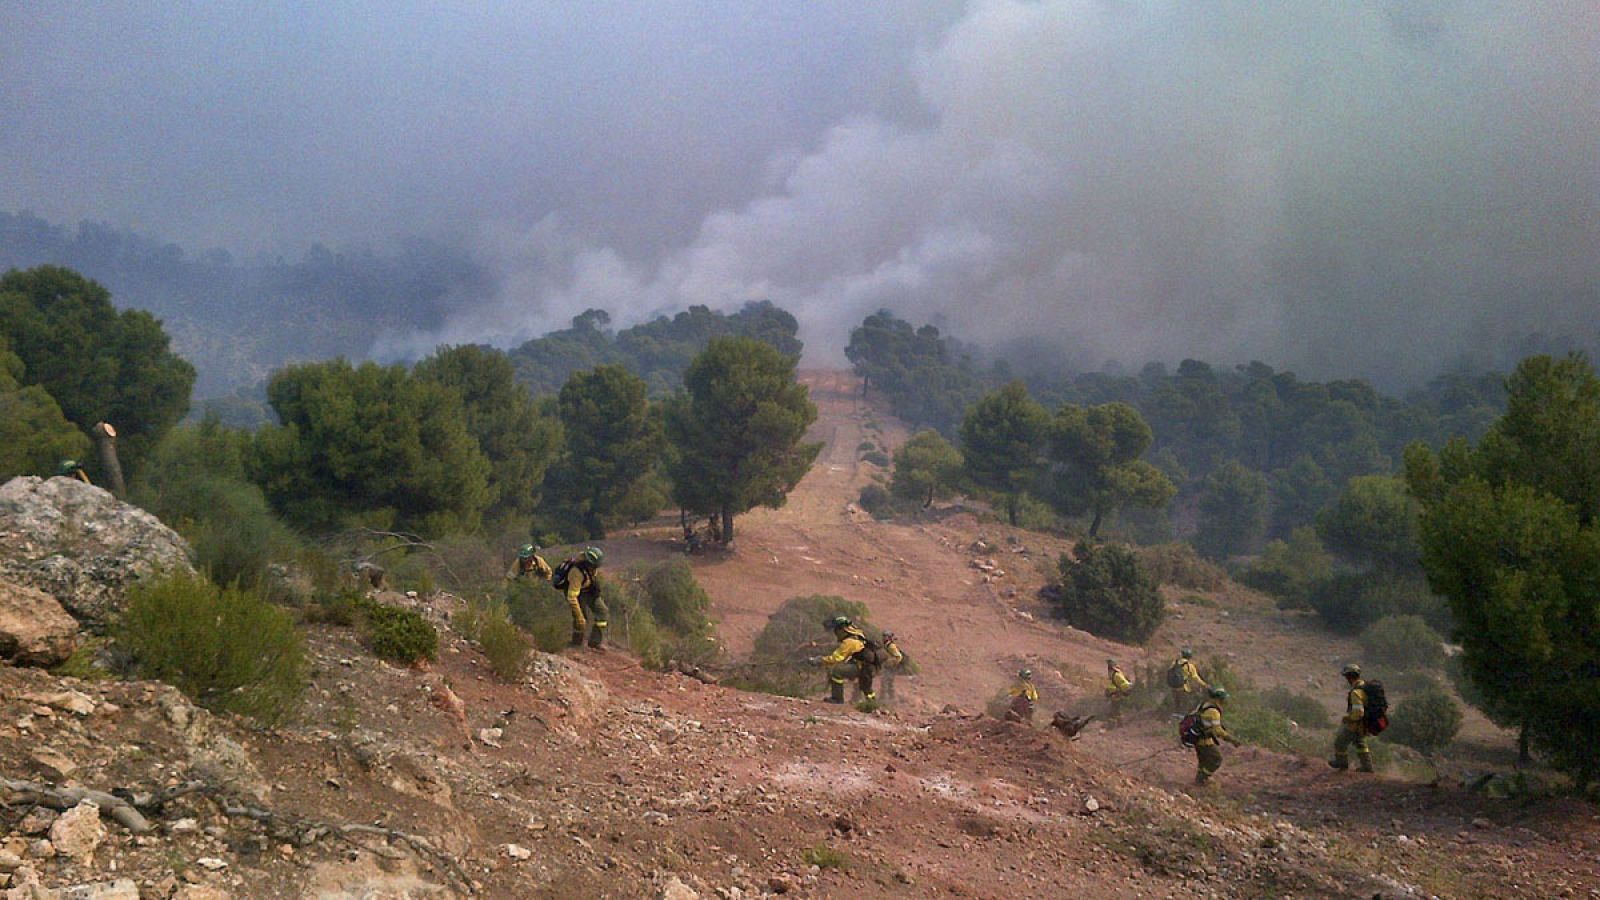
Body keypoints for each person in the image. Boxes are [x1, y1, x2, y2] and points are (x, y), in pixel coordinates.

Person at [813, 616, 881, 704]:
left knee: (836, 671)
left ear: (842, 630)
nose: (835, 633)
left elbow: (836, 658)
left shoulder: (849, 642)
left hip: (862, 667)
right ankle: (873, 705)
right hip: (867, 666)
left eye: (836, 630)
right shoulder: (858, 634)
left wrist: (820, 660)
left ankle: (837, 699)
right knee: (866, 688)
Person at [558, 547, 608, 649]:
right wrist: (579, 616)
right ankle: (576, 643)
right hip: (577, 594)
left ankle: (595, 642)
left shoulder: (591, 567)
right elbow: (572, 597)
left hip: (589, 590)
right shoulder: (576, 573)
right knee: (581, 619)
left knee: (602, 611)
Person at [1330, 663, 1375, 773]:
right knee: (1360, 742)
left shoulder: (1356, 692)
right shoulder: (1365, 687)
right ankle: (1367, 766)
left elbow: (1358, 712)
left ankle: (1342, 763)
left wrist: (1349, 719)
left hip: (1356, 723)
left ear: (1349, 677)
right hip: (1366, 722)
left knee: (1340, 742)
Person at [1192, 687, 1240, 785]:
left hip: (1197, 739)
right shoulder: (1214, 711)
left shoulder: (1204, 705)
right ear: (1219, 699)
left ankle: (1199, 781)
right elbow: (1218, 731)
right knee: (1216, 760)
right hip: (1205, 741)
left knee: (1203, 762)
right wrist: (1232, 739)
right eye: (1224, 699)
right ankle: (1202, 779)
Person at [1169, 647, 1208, 713]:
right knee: (1189, 701)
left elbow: (1169, 671)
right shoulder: (1190, 666)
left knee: (1177, 702)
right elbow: (1196, 678)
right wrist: (1205, 685)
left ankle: (1176, 714)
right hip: (1183, 687)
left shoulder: (1174, 663)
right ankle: (1183, 715)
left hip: (1173, 686)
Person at [879, 631, 906, 703]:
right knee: (887, 682)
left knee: (885, 682)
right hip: (888, 667)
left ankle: (884, 699)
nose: (883, 637)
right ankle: (890, 698)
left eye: (885, 636)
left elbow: (898, 657)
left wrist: (888, 662)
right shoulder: (886, 645)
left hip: (891, 668)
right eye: (883, 636)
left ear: (889, 637)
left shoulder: (891, 646)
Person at [1105, 658, 1133, 723]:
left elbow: (1122, 684)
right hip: (1121, 691)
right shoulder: (1117, 674)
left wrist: (1113, 692)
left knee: (1115, 707)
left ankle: (1116, 722)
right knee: (1115, 707)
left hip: (1121, 691)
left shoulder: (1116, 675)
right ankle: (1117, 720)